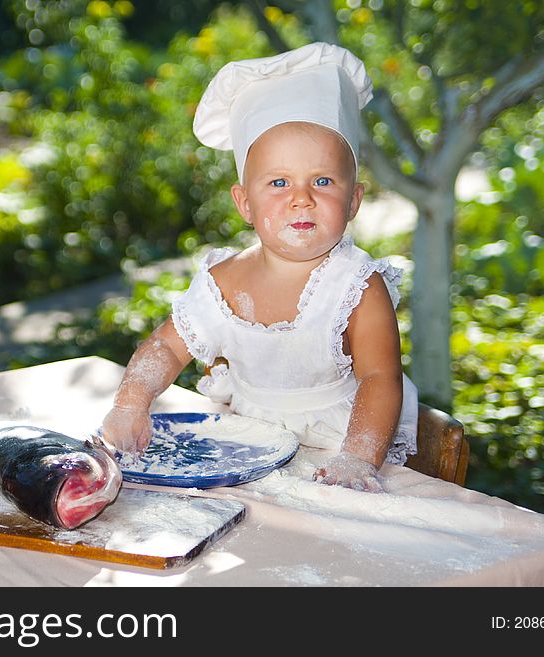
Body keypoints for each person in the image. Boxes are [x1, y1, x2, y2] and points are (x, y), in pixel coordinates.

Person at [101, 42, 418, 493]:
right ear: (244, 203)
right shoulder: (223, 284)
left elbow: (379, 378)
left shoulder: (357, 286)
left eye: (323, 181)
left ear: (354, 201)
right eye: (278, 182)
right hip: (244, 449)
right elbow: (167, 349)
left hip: (336, 453)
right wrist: (131, 403)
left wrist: (356, 459)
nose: (301, 197)